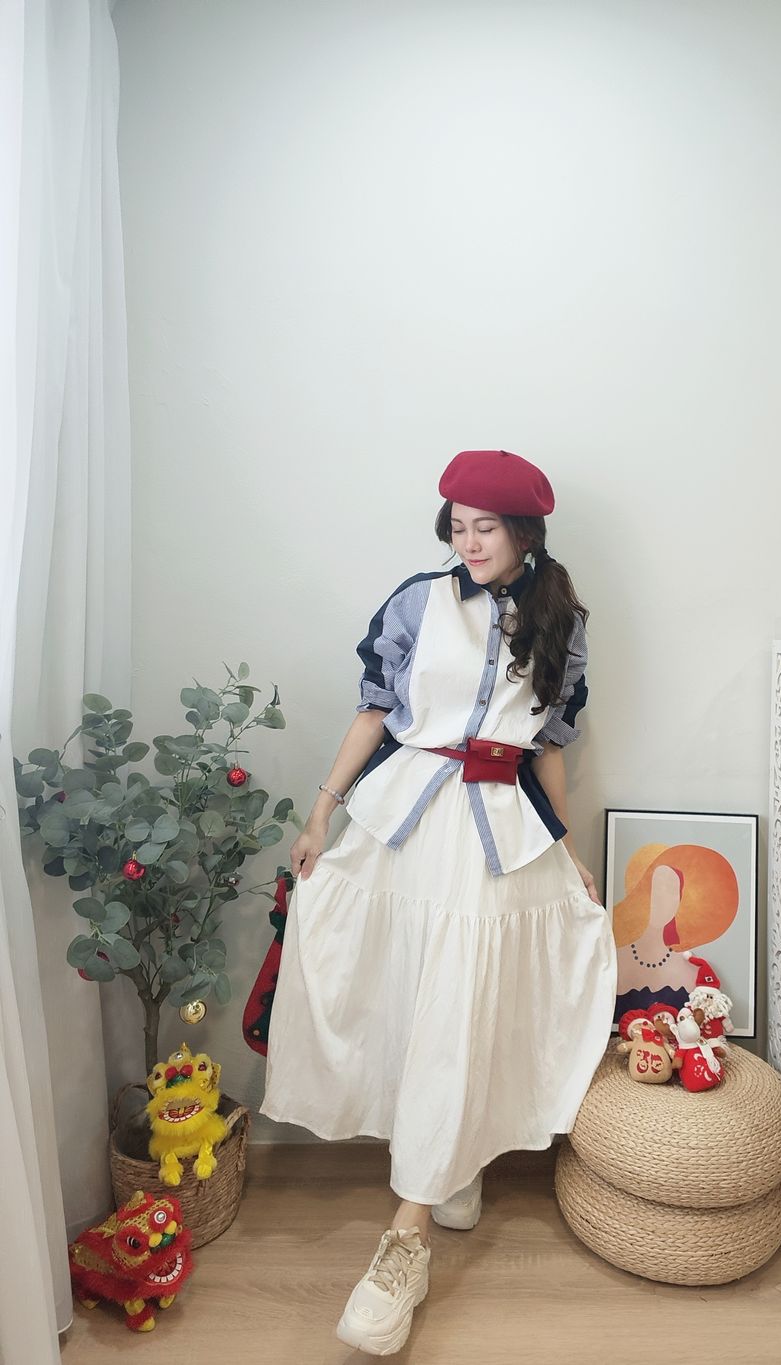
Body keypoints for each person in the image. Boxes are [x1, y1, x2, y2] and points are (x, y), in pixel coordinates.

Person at [259, 448, 618, 1355]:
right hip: (407, 819)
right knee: (401, 991)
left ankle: (408, 1233)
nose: (469, 541)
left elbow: (549, 747)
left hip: (497, 827)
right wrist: (321, 813)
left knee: (466, 1006)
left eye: (485, 526)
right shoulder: (418, 602)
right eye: (458, 526)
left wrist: (569, 851)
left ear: (525, 532)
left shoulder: (561, 621)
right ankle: (440, 1169)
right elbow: (375, 711)